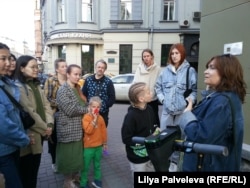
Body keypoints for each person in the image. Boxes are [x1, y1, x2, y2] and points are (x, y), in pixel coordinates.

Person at [176, 54, 246, 171]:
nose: (205, 71)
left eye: (212, 68)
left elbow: (201, 137)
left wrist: (187, 115)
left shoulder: (222, 102)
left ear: (227, 72)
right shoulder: (223, 97)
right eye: (207, 67)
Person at [155, 43, 197, 171]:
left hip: (181, 114)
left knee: (180, 142)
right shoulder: (165, 72)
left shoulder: (190, 71)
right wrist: (163, 99)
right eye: (172, 53)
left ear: (182, 54)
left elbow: (194, 90)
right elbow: (158, 88)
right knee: (164, 140)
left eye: (176, 53)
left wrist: (188, 103)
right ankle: (166, 166)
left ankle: (177, 167)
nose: (174, 56)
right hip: (167, 113)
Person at [14, 55, 54, 188]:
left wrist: (49, 124)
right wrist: (45, 129)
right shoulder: (19, 87)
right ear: (21, 68)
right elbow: (30, 112)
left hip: (40, 133)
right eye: (32, 67)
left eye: (37, 67)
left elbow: (46, 106)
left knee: (34, 170)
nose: (36, 69)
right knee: (27, 172)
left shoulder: (37, 85)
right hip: (29, 134)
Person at [0, 43, 30, 188]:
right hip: (3, 152)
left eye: (9, 58)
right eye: (3, 59)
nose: (8, 63)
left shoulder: (5, 82)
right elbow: (3, 126)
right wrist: (24, 138)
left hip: (11, 148)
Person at [56, 64, 88, 188]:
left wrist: (89, 107)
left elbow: (83, 104)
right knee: (68, 156)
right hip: (68, 128)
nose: (78, 76)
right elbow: (71, 109)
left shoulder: (77, 88)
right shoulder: (63, 90)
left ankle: (74, 177)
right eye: (75, 74)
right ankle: (67, 182)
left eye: (79, 74)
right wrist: (88, 110)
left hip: (79, 128)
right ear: (68, 74)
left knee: (76, 155)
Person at [121, 82, 159, 183]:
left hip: (150, 154)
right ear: (141, 99)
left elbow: (153, 125)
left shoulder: (150, 109)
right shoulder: (131, 116)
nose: (151, 93)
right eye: (148, 92)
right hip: (137, 157)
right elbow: (126, 138)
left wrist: (156, 130)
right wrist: (143, 141)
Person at [43, 58, 67, 173]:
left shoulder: (69, 80)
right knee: (53, 140)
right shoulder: (51, 80)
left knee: (64, 140)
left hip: (67, 116)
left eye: (65, 66)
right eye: (62, 66)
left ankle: (63, 161)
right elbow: (47, 98)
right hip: (53, 115)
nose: (65, 68)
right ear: (57, 69)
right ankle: (54, 162)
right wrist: (61, 103)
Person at [80, 96, 107, 188]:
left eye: (98, 107)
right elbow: (88, 131)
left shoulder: (101, 118)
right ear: (89, 107)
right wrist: (94, 120)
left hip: (98, 146)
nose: (96, 109)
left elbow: (104, 131)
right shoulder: (86, 117)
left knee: (97, 165)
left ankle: (97, 180)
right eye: (94, 107)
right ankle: (83, 183)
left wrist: (104, 143)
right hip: (88, 147)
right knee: (85, 166)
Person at [82, 59, 115, 127]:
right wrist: (87, 106)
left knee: (101, 132)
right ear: (95, 68)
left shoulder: (108, 82)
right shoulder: (88, 80)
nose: (100, 69)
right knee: (89, 130)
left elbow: (112, 98)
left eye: (102, 68)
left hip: (103, 113)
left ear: (105, 69)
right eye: (99, 67)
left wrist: (105, 106)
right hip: (89, 112)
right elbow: (83, 94)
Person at [133, 48, 161, 126]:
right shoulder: (139, 68)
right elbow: (135, 83)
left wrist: (153, 93)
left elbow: (159, 84)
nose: (146, 58)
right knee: (141, 119)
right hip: (141, 99)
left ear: (152, 57)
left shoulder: (157, 69)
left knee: (154, 119)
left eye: (148, 56)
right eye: (144, 56)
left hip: (152, 99)